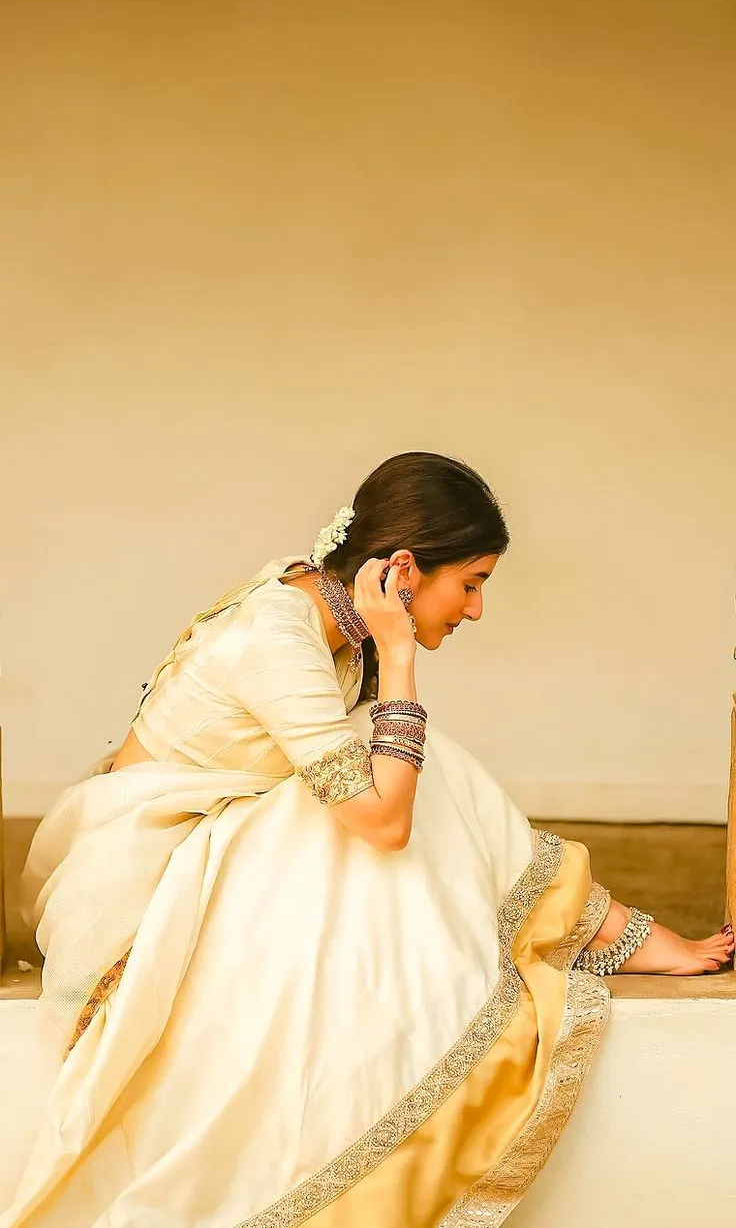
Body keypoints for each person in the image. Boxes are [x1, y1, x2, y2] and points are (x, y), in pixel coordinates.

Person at [3, 450, 732, 1228]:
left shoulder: (328, 605)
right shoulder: (279, 641)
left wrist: (387, 659)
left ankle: (595, 926)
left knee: (395, 772)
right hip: (139, 893)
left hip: (209, 846)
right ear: (407, 571)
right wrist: (401, 656)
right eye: (473, 583)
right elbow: (385, 822)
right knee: (415, 772)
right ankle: (599, 931)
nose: (477, 609)